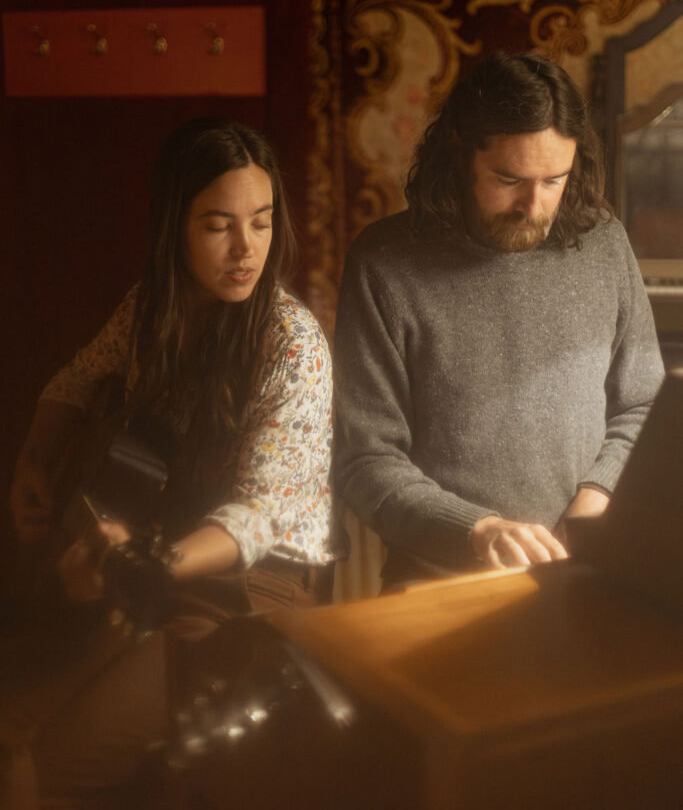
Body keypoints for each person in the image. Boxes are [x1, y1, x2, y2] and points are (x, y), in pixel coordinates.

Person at [3, 117, 339, 807]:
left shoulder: (292, 342)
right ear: (174, 230)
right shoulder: (150, 307)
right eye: (218, 225)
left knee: (51, 762)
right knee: (12, 736)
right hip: (150, 560)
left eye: (262, 221)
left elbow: (259, 516)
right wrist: (32, 464)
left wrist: (144, 563)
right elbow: (72, 381)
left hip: (252, 588)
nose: (246, 249)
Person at [333, 53, 664, 588]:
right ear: (460, 157)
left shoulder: (604, 244)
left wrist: (596, 494)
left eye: (554, 180)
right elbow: (365, 460)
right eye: (508, 179)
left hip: (585, 573)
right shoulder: (384, 263)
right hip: (440, 581)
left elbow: (644, 406)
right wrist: (479, 530)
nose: (533, 205)